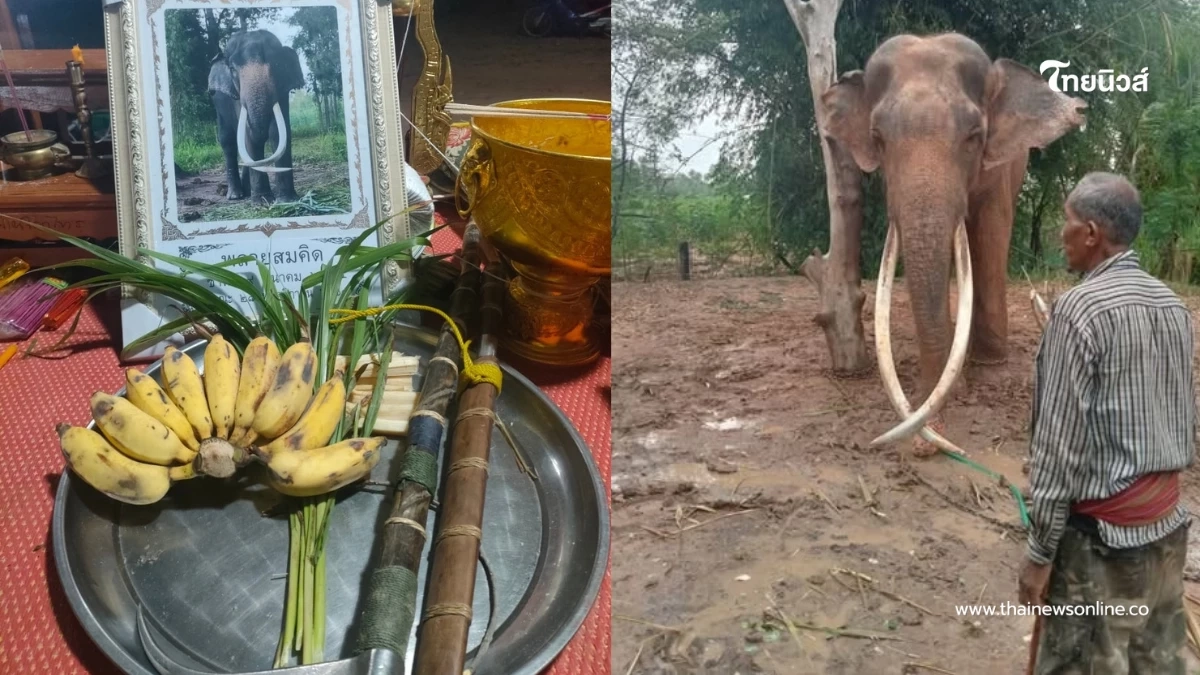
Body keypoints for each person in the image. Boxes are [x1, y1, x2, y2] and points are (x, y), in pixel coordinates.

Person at [1019, 171, 1196, 674]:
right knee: (1158, 666)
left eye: (1068, 222)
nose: (1060, 233)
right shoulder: (1173, 306)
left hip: (1102, 548)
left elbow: (1059, 447)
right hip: (1166, 535)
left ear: (1092, 234)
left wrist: (1039, 553)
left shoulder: (1078, 310)